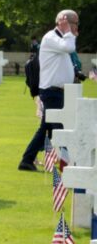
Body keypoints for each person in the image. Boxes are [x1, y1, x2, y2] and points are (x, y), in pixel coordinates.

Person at [19, 9, 79, 171]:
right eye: (74, 23)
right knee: (59, 128)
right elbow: (69, 48)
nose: (76, 28)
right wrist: (68, 32)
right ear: (63, 22)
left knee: (46, 128)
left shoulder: (60, 39)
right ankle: (66, 163)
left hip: (56, 91)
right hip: (51, 91)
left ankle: (27, 160)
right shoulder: (51, 37)